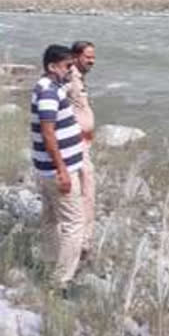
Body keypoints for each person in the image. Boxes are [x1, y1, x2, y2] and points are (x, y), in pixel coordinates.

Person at [31, 45, 84, 294]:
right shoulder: (49, 93)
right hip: (57, 171)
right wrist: (62, 169)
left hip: (47, 169)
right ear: (52, 67)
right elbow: (48, 132)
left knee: (50, 219)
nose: (71, 71)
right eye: (67, 66)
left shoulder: (46, 87)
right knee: (74, 224)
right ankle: (61, 281)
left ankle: (48, 264)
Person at [66, 41, 96, 261]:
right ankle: (82, 244)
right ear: (76, 57)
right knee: (86, 193)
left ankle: (80, 242)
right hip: (76, 146)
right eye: (88, 57)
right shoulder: (69, 77)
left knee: (85, 192)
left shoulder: (77, 77)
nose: (92, 61)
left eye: (93, 57)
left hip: (82, 144)